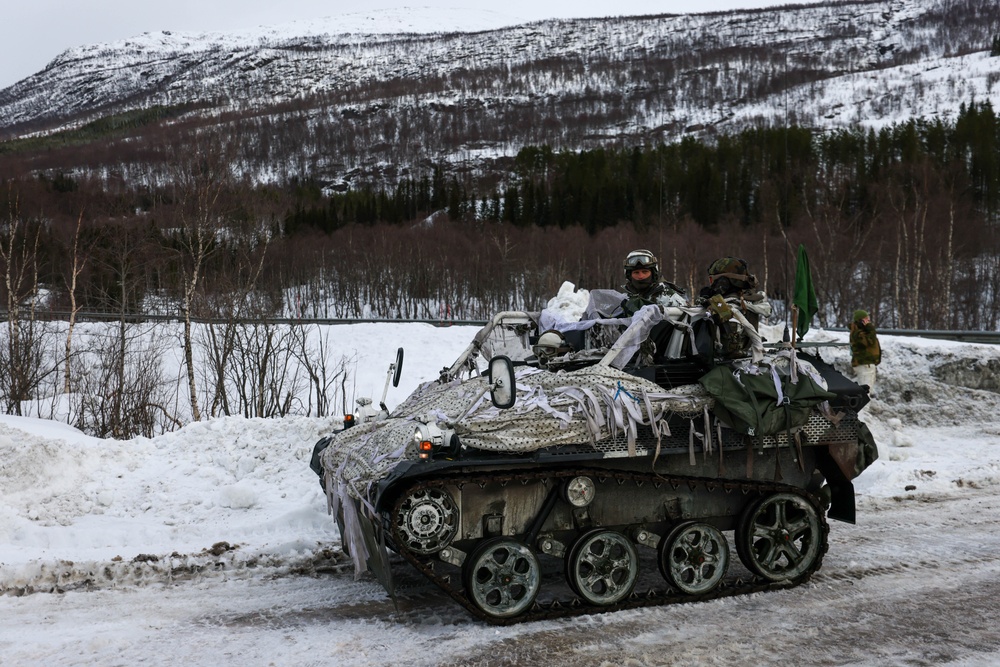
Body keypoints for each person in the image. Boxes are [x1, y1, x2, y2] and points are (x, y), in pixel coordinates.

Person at [697, 256, 772, 359]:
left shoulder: (729, 305)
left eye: (712, 280)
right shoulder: (749, 300)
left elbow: (729, 349)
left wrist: (710, 302)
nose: (712, 286)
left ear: (723, 282)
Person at [619, 249, 686, 317]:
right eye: (636, 272)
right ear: (629, 276)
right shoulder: (625, 299)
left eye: (645, 272)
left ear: (653, 274)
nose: (641, 276)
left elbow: (687, 318)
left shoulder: (669, 297)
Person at [849, 309, 881, 391]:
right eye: (866, 319)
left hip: (867, 364)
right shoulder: (857, 333)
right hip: (864, 365)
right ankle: (864, 404)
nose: (869, 321)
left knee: (867, 391)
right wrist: (870, 328)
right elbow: (869, 341)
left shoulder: (863, 332)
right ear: (860, 321)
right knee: (865, 392)